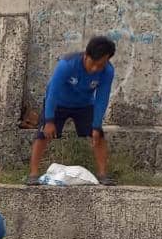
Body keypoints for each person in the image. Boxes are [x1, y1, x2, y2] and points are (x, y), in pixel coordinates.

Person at [28, 35, 117, 185]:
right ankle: (33, 173)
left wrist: (96, 125)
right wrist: (49, 120)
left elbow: (102, 98)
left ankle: (102, 174)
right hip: (58, 103)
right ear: (86, 55)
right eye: (93, 63)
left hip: (84, 104)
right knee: (42, 134)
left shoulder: (107, 71)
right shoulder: (67, 64)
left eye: (100, 65)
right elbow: (52, 92)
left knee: (98, 136)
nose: (95, 68)